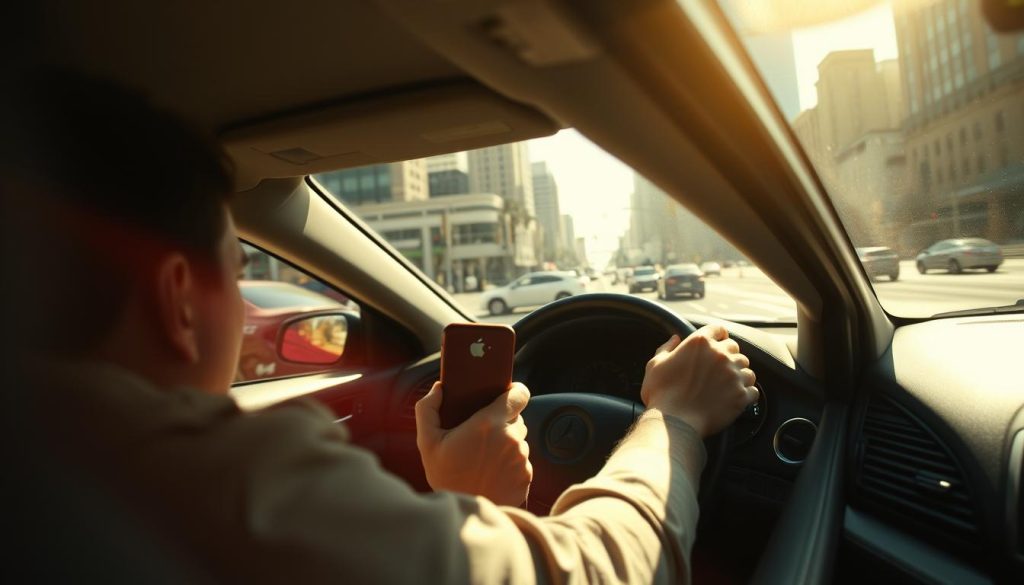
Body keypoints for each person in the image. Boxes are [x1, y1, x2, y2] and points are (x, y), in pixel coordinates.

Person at [4, 70, 758, 583]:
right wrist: (675, 418)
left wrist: (472, 509)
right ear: (178, 300)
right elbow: (599, 569)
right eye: (235, 272)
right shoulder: (220, 484)